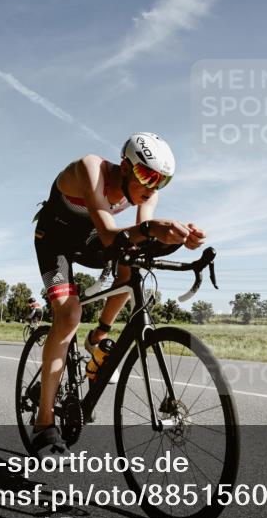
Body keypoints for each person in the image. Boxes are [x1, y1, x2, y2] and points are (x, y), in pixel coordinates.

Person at [30, 132, 206, 455]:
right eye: (148, 176)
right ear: (125, 167)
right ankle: (43, 423)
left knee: (132, 264)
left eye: (162, 181)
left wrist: (178, 238)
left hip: (89, 240)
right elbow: (111, 235)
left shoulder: (147, 193)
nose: (153, 187)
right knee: (69, 315)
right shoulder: (90, 169)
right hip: (55, 241)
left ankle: (98, 336)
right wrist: (153, 229)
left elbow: (140, 239)